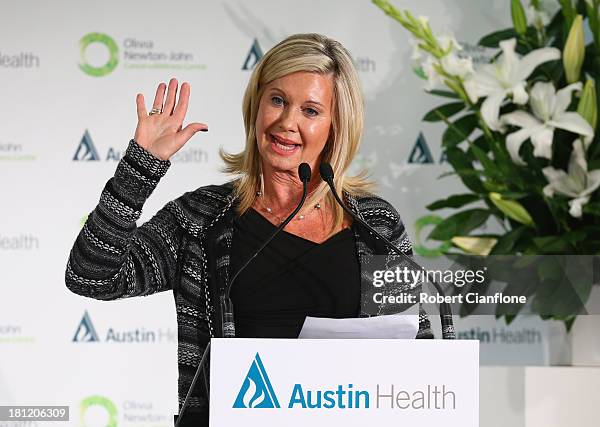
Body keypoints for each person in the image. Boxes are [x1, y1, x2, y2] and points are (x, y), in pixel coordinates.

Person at [65, 33, 432, 421]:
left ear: (335, 126)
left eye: (310, 110)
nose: (287, 122)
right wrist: (141, 166)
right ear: (256, 107)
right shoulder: (200, 219)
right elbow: (91, 276)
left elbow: (414, 348)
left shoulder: (374, 226)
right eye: (277, 100)